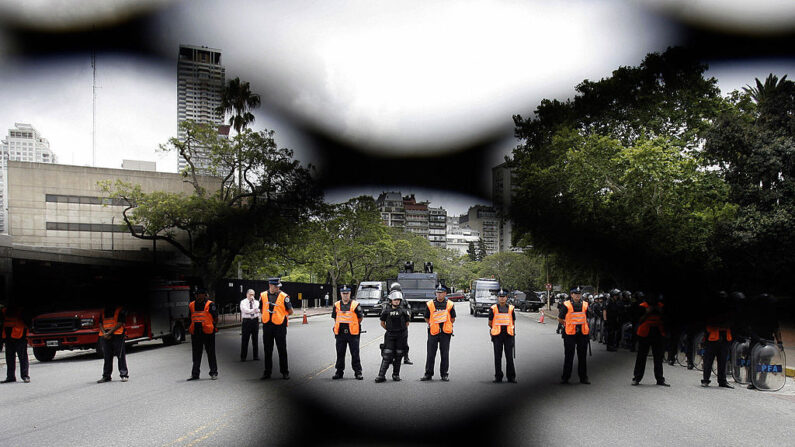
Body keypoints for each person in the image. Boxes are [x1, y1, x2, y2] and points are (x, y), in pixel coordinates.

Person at [376, 283, 411, 382]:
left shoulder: (404, 310)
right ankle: (381, 376)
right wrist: (390, 329)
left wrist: (400, 330)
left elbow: (407, 322)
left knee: (399, 354)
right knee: (387, 354)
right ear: (391, 300)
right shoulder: (386, 310)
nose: (397, 301)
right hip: (390, 335)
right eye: (395, 300)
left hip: (401, 335)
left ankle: (396, 375)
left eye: (398, 300)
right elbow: (382, 323)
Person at [632, 293, 669, 386]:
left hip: (658, 332)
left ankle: (660, 379)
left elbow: (666, 319)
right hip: (645, 333)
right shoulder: (642, 306)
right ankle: (637, 377)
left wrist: (659, 312)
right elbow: (638, 320)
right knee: (641, 356)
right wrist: (647, 312)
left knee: (658, 357)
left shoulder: (661, 307)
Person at [260, 278, 293, 380]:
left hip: (279, 325)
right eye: (276, 286)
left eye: (279, 286)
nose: (277, 288)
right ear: (270, 285)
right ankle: (267, 372)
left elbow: (290, 311)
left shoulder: (284, 296)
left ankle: (285, 372)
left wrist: (281, 315)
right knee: (267, 350)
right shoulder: (263, 295)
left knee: (282, 349)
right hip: (267, 325)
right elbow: (261, 308)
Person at [421, 284, 456, 381]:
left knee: (444, 354)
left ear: (445, 293)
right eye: (438, 293)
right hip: (433, 331)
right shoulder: (430, 304)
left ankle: (444, 374)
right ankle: (428, 374)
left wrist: (446, 325)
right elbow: (426, 317)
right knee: (430, 354)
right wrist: (433, 325)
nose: (439, 295)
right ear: (435, 293)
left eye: (441, 293)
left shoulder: (450, 304)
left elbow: (452, 318)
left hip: (445, 332)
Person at [701, 291, 734, 388]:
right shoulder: (711, 309)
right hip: (712, 337)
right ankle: (706, 380)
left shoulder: (729, 309)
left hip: (724, 337)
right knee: (708, 360)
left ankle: (722, 381)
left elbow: (731, 322)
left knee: (723, 360)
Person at [557, 287, 590, 384]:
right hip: (570, 334)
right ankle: (565, 377)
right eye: (575, 294)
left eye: (579, 294)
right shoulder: (566, 305)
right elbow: (560, 318)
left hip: (582, 334)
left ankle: (583, 378)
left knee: (582, 357)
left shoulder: (585, 304)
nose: (577, 295)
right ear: (571, 295)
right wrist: (567, 325)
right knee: (569, 356)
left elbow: (588, 317)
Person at [331, 285, 364, 380]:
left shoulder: (355, 304)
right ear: (340, 294)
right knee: (340, 353)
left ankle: (358, 372)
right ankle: (339, 372)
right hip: (340, 333)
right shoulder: (336, 305)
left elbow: (360, 318)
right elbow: (335, 318)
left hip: (352, 333)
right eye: (343, 293)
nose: (345, 295)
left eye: (347, 293)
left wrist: (353, 325)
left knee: (355, 353)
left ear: (350, 294)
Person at [187, 287, 218, 381]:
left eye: (199, 294)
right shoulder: (191, 305)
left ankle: (213, 372)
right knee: (196, 354)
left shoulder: (210, 304)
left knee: (211, 353)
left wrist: (212, 326)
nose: (197, 296)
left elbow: (215, 317)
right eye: (196, 294)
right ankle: (195, 374)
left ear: (204, 295)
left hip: (208, 332)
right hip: (196, 332)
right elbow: (190, 317)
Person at [488, 289, 516, 383]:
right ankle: (498, 376)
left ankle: (511, 377)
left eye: (503, 297)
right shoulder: (493, 308)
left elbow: (513, 321)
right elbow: (490, 323)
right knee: (497, 357)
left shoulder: (511, 308)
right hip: (497, 336)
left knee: (509, 357)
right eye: (500, 297)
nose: (502, 298)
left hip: (508, 335)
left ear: (506, 298)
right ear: (498, 298)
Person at [97, 303, 129, 383]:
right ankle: (106, 376)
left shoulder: (120, 310)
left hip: (117, 335)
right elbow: (100, 323)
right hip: (105, 336)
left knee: (120, 355)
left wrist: (109, 333)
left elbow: (120, 323)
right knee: (107, 356)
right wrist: (105, 333)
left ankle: (124, 375)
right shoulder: (104, 310)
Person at [1, 304, 31, 384]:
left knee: (21, 356)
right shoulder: (5, 310)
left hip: (19, 335)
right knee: (10, 357)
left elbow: (27, 320)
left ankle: (24, 375)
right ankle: (11, 376)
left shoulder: (21, 310)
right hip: (9, 335)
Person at [240, 289, 260, 361]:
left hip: (255, 321)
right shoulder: (243, 302)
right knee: (245, 339)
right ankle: (243, 357)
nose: (252, 296)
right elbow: (245, 310)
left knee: (255, 339)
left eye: (253, 294)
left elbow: (258, 310)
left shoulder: (256, 302)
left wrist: (253, 303)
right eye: (250, 294)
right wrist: (253, 310)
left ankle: (256, 356)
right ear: (247, 294)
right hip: (246, 321)